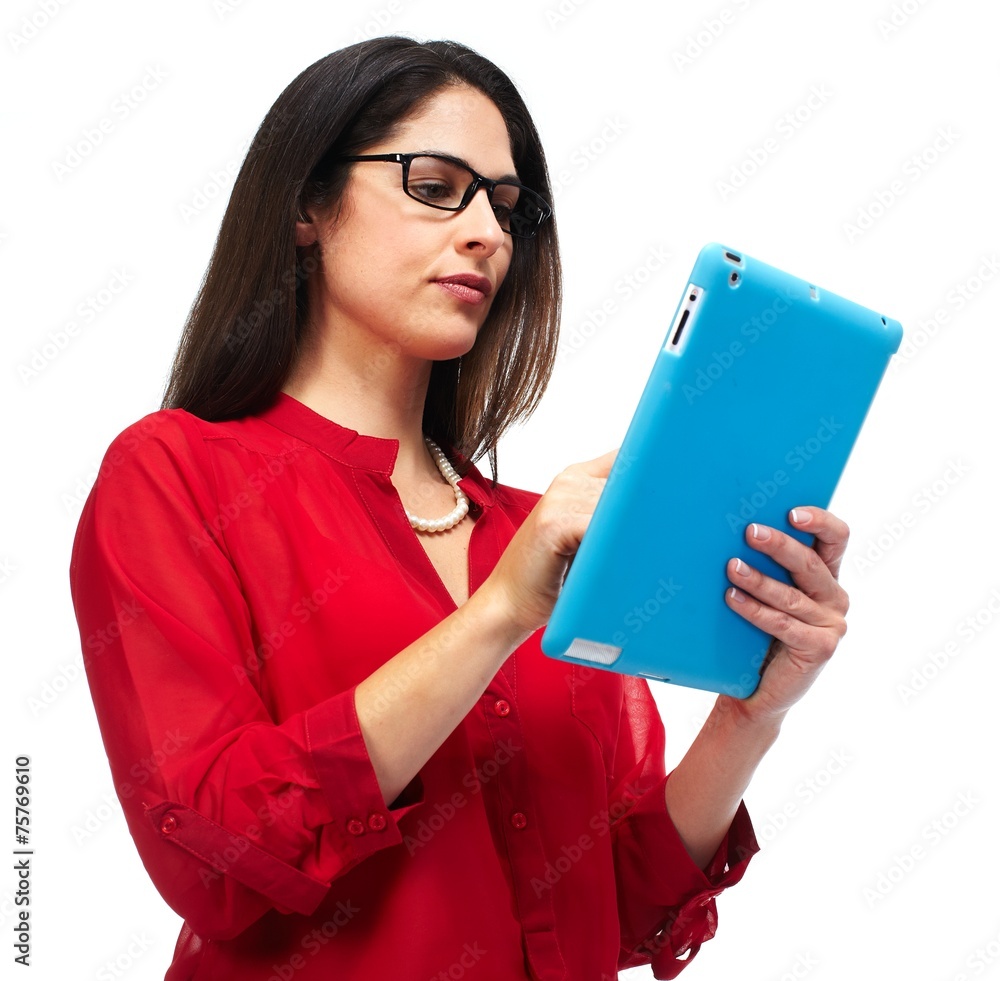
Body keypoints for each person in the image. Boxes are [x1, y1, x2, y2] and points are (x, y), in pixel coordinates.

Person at [69, 36, 850, 981]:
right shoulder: (175, 475)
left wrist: (752, 713)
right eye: (436, 185)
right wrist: (496, 615)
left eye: (506, 207)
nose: (487, 232)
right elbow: (213, 850)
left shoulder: (538, 532)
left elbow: (617, 902)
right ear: (308, 204)